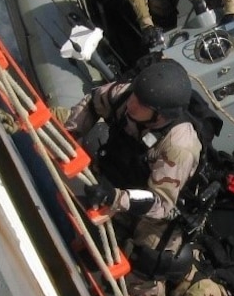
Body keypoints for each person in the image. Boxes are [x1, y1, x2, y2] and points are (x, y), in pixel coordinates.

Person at [64, 58, 205, 248]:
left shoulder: (179, 146)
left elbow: (161, 203)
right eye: (134, 96)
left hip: (152, 198)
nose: (131, 103)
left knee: (153, 252)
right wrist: (72, 134)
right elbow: (93, 102)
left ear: (160, 115)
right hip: (116, 167)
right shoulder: (128, 95)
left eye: (141, 104)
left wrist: (115, 198)